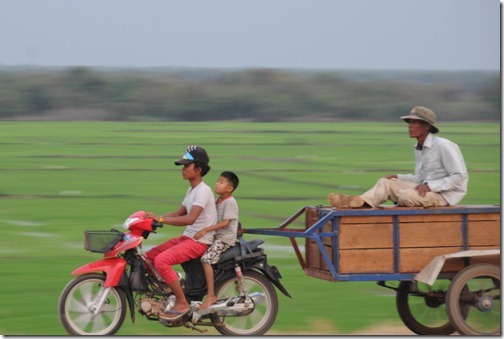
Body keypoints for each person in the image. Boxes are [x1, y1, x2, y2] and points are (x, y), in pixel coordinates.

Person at [328, 106, 468, 208]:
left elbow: (459, 177)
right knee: (386, 182)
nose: (410, 127)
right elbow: (420, 179)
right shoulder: (419, 148)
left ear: (426, 126)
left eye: (414, 123)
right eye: (410, 123)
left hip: (443, 196)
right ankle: (360, 202)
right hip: (425, 190)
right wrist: (398, 177)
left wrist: (431, 186)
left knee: (407, 195)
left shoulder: (444, 146)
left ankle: (359, 204)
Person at [144, 145, 217, 320]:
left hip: (199, 242)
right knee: (148, 257)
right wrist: (153, 219)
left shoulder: (203, 191)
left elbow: (190, 218)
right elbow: (178, 214)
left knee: (162, 261)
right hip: (186, 238)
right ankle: (169, 288)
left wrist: (161, 220)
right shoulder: (191, 190)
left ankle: (182, 302)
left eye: (186, 166)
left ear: (198, 170)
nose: (182, 169)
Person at [194, 171, 240, 310]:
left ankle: (211, 295)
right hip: (216, 237)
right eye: (217, 180)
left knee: (206, 259)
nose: (217, 184)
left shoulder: (230, 202)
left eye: (221, 182)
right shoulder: (218, 200)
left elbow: (225, 223)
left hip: (224, 239)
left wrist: (206, 230)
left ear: (229, 188)